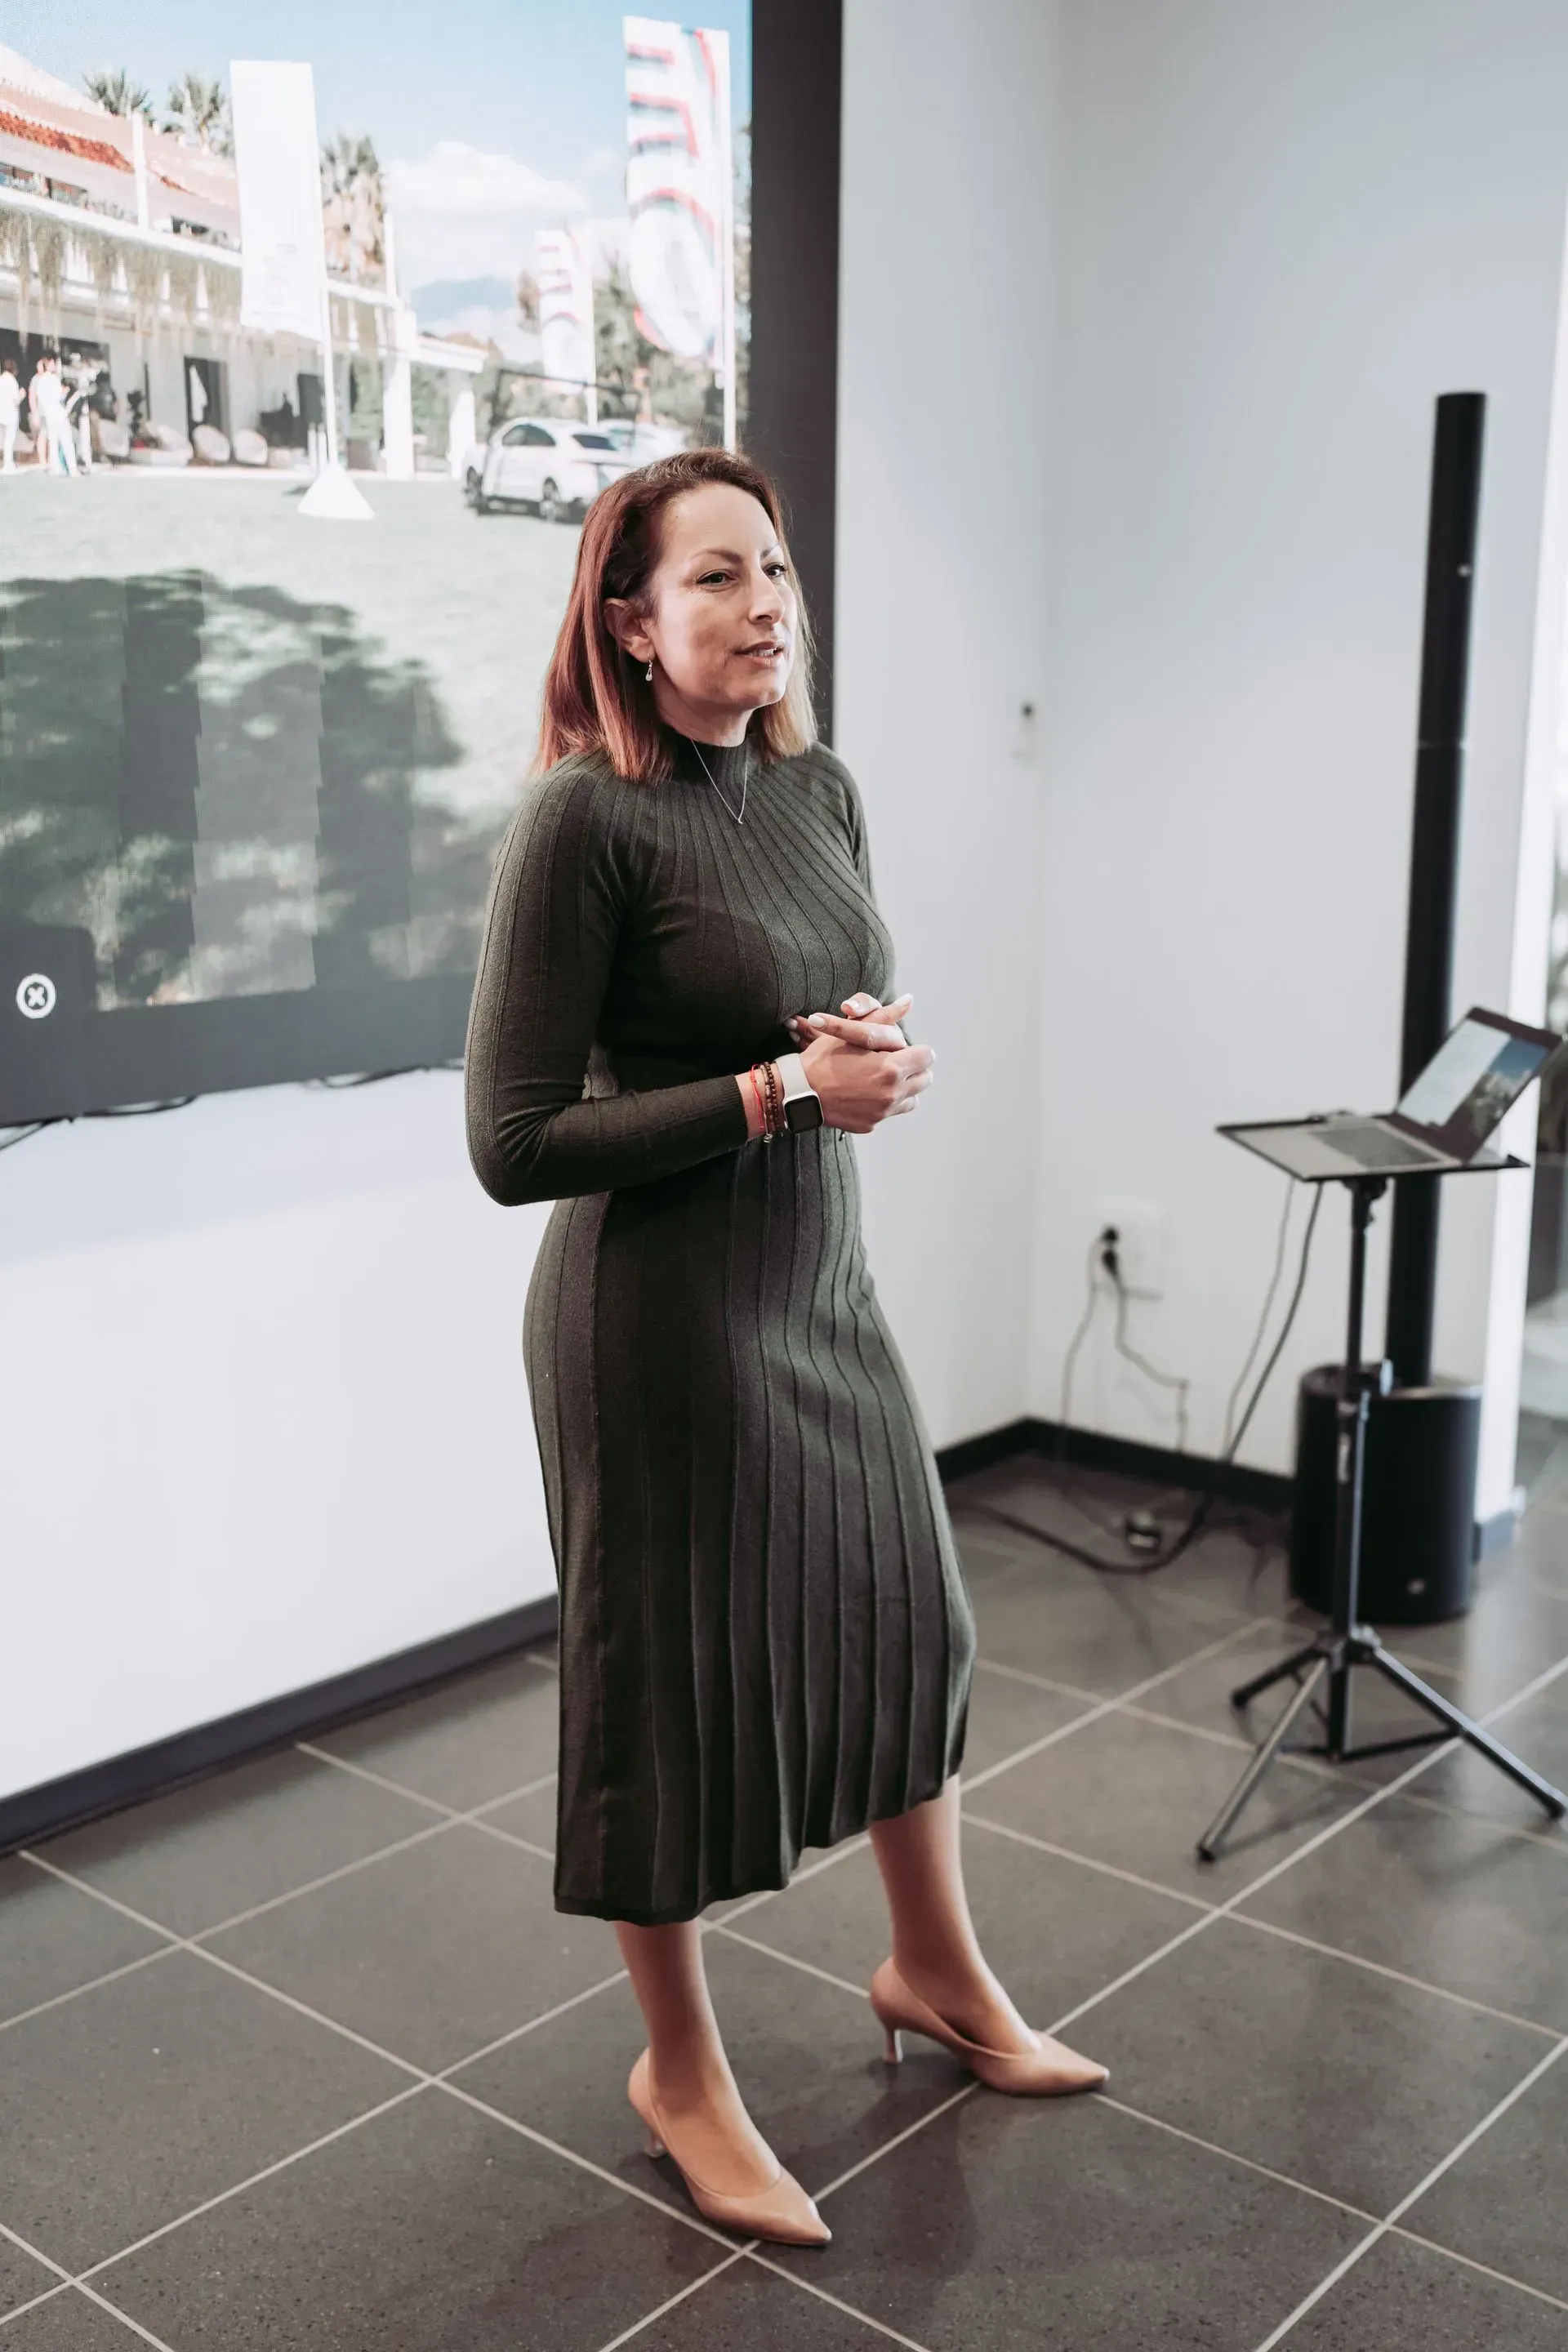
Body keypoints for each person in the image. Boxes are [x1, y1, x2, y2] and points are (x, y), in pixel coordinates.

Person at [464, 448, 1106, 2251]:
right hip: (656, 1324)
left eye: (777, 571)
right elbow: (511, 1142)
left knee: (912, 1621)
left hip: (817, 1287)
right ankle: (679, 2072)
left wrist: (869, 1055)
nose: (768, 606)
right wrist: (778, 1093)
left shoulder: (818, 787)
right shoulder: (582, 824)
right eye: (720, 578)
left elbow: (815, 1017)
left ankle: (936, 1970)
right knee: (665, 1701)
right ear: (629, 623)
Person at [0, 359, 20, 472]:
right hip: (10, 414)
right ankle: (8, 463)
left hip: (1, 413)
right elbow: (15, 400)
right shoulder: (12, 381)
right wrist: (21, 395)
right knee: (9, 440)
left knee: (2, 440)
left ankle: (5, 462)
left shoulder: (1, 379)